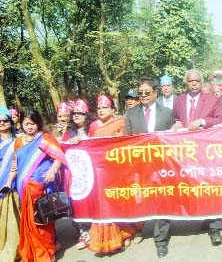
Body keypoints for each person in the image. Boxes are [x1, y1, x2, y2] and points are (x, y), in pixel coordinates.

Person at [172, 69, 222, 245]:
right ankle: (197, 216)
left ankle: (215, 228)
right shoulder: (178, 101)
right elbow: (175, 120)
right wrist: (177, 124)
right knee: (189, 187)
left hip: (206, 152)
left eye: (196, 81)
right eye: (190, 81)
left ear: (201, 83)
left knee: (210, 189)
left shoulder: (213, 100)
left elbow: (219, 119)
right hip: (185, 153)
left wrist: (202, 121)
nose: (193, 83)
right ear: (185, 83)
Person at [124, 78, 175, 258]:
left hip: (161, 165)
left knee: (162, 201)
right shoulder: (130, 114)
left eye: (147, 92)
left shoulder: (167, 113)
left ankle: (161, 240)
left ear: (155, 93)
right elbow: (126, 141)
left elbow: (172, 141)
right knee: (142, 200)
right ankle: (136, 229)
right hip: (140, 166)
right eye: (140, 93)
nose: (144, 96)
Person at [87, 95, 141, 253]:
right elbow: (89, 146)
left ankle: (126, 232)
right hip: (99, 170)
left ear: (112, 109)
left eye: (104, 107)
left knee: (119, 200)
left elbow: (126, 144)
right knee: (103, 203)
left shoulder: (120, 122)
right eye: (99, 108)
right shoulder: (93, 126)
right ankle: (107, 239)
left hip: (116, 169)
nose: (101, 110)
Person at [14, 109, 70, 262]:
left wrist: (52, 170)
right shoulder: (18, 141)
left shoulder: (45, 138)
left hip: (42, 185)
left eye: (33, 124)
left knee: (42, 219)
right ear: (21, 125)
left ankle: (46, 252)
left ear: (38, 124)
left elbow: (59, 157)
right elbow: (16, 164)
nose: (30, 127)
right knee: (30, 221)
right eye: (26, 124)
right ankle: (34, 251)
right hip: (24, 187)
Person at [60, 99, 94, 250]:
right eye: (74, 113)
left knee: (92, 203)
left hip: (93, 173)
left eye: (80, 113)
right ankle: (83, 234)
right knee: (77, 203)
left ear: (86, 115)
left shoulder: (93, 128)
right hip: (75, 175)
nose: (77, 115)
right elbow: (60, 149)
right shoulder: (68, 132)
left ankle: (96, 233)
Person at [0, 108, 20, 262]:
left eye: (5, 120)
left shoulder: (19, 139)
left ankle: (18, 248)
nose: (1, 123)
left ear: (11, 121)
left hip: (15, 184)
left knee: (16, 218)